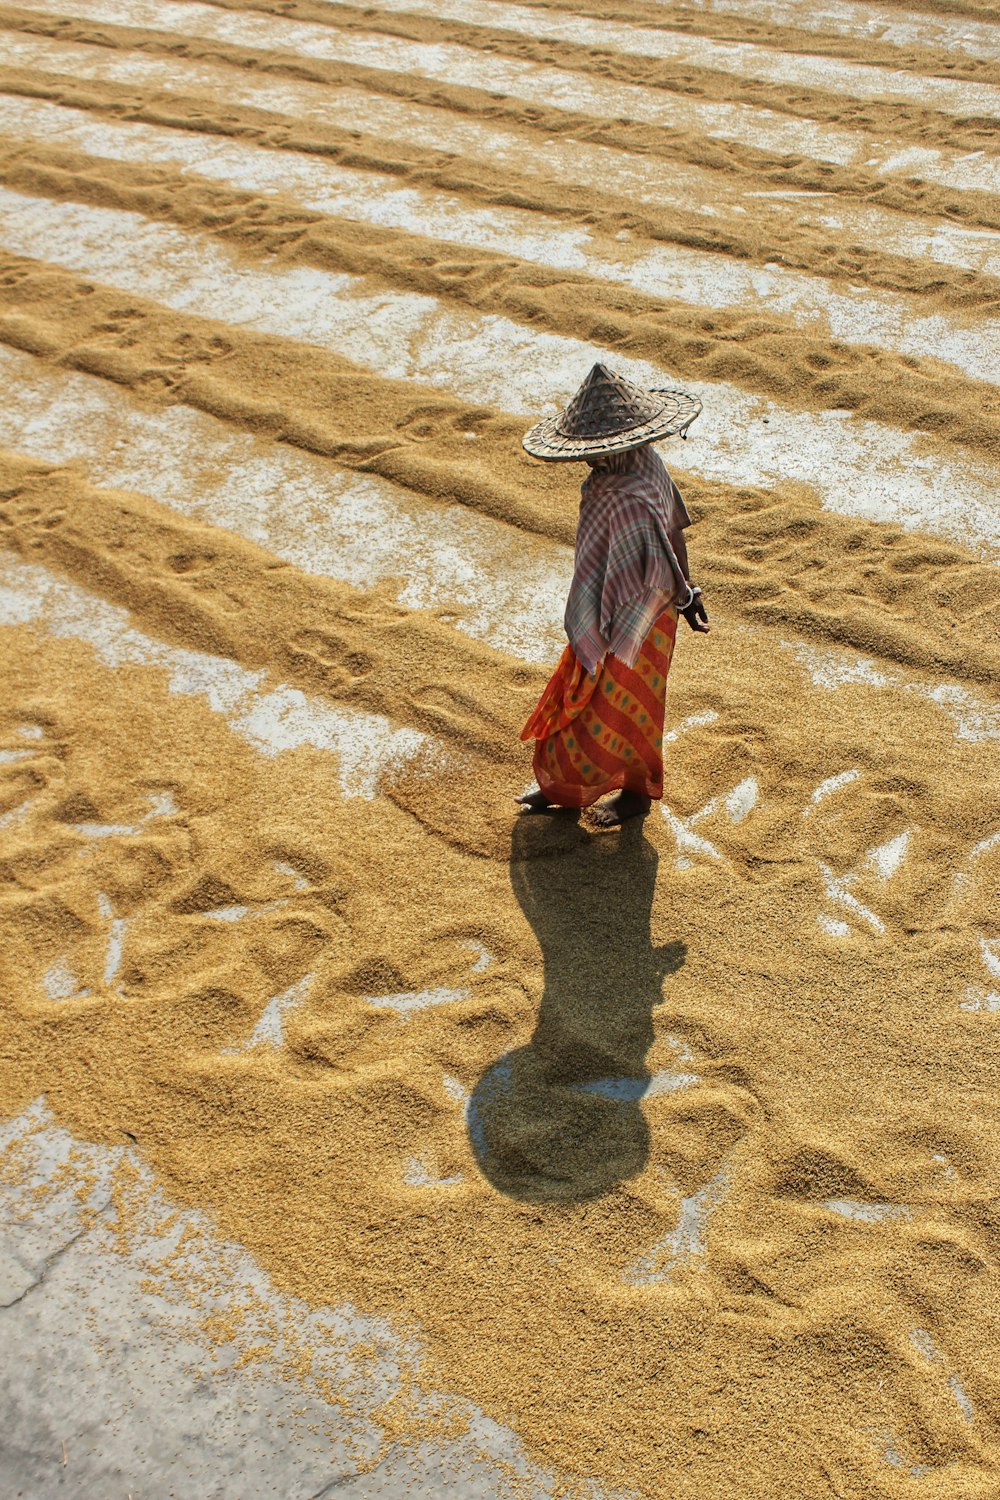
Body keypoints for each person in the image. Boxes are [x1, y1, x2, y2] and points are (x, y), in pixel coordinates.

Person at [517, 362, 709, 828]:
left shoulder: (618, 487)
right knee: (592, 692)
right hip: (651, 606)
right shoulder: (646, 464)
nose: (587, 459)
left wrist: (685, 594)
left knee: (622, 701)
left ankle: (634, 793)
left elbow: (667, 534)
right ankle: (564, 785)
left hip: (643, 615)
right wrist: (688, 593)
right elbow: (673, 530)